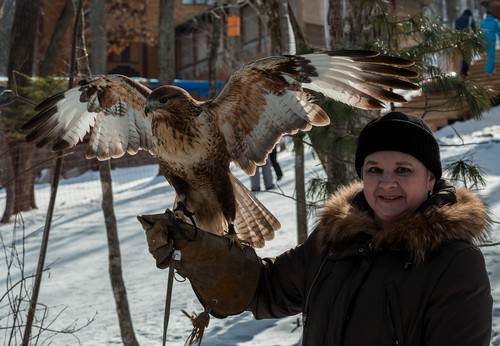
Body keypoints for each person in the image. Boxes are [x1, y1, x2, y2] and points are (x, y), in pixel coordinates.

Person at [142, 112, 492, 345]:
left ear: (431, 178)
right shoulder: (335, 242)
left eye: (403, 170)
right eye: (374, 170)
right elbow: (265, 289)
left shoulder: (454, 263)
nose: (387, 184)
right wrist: (198, 251)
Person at [454, 9, 476, 77]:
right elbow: (473, 27)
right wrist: (475, 35)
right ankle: (464, 72)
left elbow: (455, 29)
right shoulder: (469, 18)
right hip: (467, 39)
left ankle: (463, 71)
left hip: (460, 40)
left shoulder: (458, 19)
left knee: (463, 55)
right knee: (467, 55)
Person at [480, 10, 500, 75]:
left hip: (484, 41)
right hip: (491, 40)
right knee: (492, 56)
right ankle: (488, 70)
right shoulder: (495, 21)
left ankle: (492, 69)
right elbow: (499, 32)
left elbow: (480, 32)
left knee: (489, 55)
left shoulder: (482, 22)